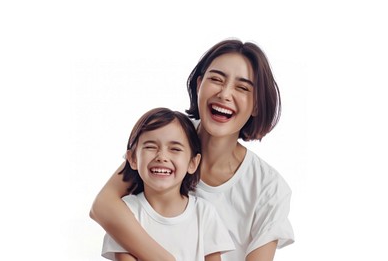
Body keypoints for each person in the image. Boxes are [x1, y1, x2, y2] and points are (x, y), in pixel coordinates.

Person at [90, 39, 295, 261]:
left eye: (242, 87)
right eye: (216, 79)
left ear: (256, 104)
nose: (225, 94)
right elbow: (103, 206)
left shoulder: (269, 188)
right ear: (199, 85)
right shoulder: (168, 139)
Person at [101, 107, 235, 261]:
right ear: (132, 158)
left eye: (175, 149)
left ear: (193, 163)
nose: (162, 157)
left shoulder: (204, 213)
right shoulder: (126, 213)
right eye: (151, 147)